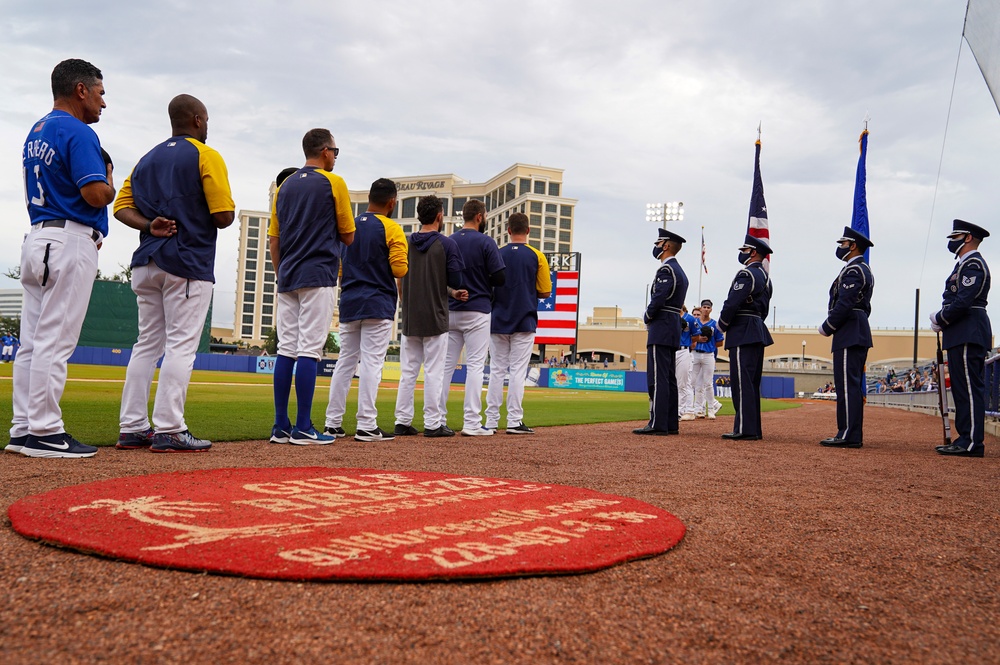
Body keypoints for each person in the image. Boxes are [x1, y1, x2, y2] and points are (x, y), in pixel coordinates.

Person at [114, 94, 235, 453]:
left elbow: (121, 208)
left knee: (146, 345)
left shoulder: (145, 159)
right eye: (207, 119)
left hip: (146, 261)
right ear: (197, 120)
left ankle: (133, 427)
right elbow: (224, 216)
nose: (208, 125)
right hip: (186, 262)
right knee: (181, 345)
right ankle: (169, 428)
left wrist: (150, 224)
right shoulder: (205, 154)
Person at [12, 59, 115, 458]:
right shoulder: (77, 130)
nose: (104, 102)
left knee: (32, 344)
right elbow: (93, 194)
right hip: (69, 239)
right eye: (101, 93)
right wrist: (108, 184)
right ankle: (45, 431)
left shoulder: (37, 129)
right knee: (54, 343)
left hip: (38, 235)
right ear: (81, 90)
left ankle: (23, 428)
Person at [269, 128, 355, 445]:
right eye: (335, 150)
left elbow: (274, 239)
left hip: (288, 275)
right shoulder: (334, 182)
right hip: (318, 273)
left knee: (286, 349)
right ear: (324, 151)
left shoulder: (286, 186)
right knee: (309, 350)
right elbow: (348, 235)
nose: (335, 156)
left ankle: (281, 425)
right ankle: (304, 425)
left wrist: (282, 274)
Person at [325, 179, 407, 442]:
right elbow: (399, 270)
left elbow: (338, 270)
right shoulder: (391, 228)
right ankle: (366, 424)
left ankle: (332, 423)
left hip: (350, 300)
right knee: (371, 362)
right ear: (392, 202)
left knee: (345, 361)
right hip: (378, 302)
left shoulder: (349, 227)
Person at [393, 195, 466, 438]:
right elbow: (456, 280)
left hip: (411, 316)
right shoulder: (446, 244)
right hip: (436, 315)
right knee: (434, 371)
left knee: (408, 372)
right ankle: (433, 423)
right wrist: (450, 288)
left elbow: (400, 279)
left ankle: (402, 421)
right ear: (438, 216)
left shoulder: (406, 242)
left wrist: (406, 303)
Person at [439, 199, 505, 436]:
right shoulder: (486, 241)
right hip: (477, 309)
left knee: (445, 367)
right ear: (479, 216)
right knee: (475, 366)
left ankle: (437, 420)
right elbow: (499, 277)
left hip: (451, 308)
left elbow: (441, 275)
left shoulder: (450, 240)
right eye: (484, 215)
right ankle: (471, 423)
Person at [484, 212, 552, 434]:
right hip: (524, 319)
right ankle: (514, 421)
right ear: (528, 231)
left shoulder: (497, 253)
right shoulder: (537, 255)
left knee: (496, 370)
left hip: (498, 319)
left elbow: (488, 287)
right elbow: (545, 291)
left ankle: (491, 421)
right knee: (517, 372)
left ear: (509, 231)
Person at [930, 219, 992, 458]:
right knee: (961, 389)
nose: (951, 241)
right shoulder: (963, 265)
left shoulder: (973, 264)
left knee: (968, 387)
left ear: (967, 238)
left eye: (955, 237)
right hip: (960, 330)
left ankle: (973, 442)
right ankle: (965, 437)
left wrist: (940, 317)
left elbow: (964, 301)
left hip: (969, 329)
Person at [817, 228, 875, 449]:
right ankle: (848, 431)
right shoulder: (857, 269)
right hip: (853, 328)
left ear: (852, 246)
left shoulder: (855, 270)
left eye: (843, 243)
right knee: (846, 385)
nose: (839, 247)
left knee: (847, 386)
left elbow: (845, 303)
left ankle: (848, 433)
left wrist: (828, 325)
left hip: (850, 329)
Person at [634, 228, 689, 435]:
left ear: (666, 245)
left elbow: (658, 298)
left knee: (658, 377)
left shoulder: (667, 270)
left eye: (658, 244)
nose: (656, 248)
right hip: (672, 324)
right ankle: (670, 423)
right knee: (669, 377)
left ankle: (658, 423)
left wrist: (648, 316)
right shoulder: (680, 271)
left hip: (662, 325)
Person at [718, 235, 773, 441]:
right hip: (756, 328)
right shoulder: (767, 278)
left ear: (752, 252)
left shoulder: (747, 274)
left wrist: (721, 326)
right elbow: (764, 309)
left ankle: (744, 428)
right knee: (751, 382)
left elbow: (731, 303)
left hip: (743, 330)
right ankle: (752, 428)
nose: (741, 253)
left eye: (744, 249)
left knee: (741, 382)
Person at [691, 299, 725, 419]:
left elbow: (720, 342)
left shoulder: (714, 324)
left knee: (708, 383)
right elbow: (688, 337)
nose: (706, 309)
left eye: (708, 307)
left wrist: (709, 344)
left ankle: (711, 409)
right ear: (701, 308)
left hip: (708, 354)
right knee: (692, 382)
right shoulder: (694, 323)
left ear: (711, 309)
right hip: (695, 353)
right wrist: (698, 340)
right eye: (704, 307)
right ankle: (692, 409)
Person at [677, 305, 697, 421]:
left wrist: (686, 339)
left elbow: (696, 336)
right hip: (670, 349)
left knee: (683, 383)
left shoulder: (690, 319)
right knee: (670, 382)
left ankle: (680, 411)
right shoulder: (669, 316)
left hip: (683, 350)